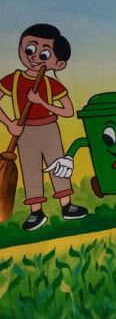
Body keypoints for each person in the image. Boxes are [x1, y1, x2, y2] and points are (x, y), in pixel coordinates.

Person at [0, 24, 87, 231]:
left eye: (44, 54)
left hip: (49, 129)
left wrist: (42, 102)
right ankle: (36, 212)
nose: (34, 57)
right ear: (21, 48)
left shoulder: (51, 84)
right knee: (30, 169)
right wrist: (10, 124)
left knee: (58, 166)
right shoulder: (13, 80)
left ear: (58, 63)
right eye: (30, 49)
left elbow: (68, 111)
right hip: (24, 132)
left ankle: (67, 205)